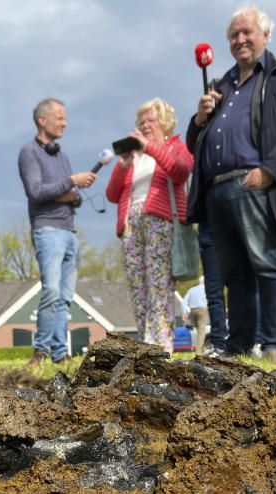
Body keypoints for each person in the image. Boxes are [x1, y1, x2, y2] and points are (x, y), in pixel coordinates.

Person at [185, 5, 276, 361]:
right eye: (234, 35)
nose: (240, 39)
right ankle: (240, 345)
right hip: (215, 189)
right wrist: (199, 119)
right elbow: (193, 144)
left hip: (254, 182)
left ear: (266, 35)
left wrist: (269, 170)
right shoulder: (220, 86)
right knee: (234, 273)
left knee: (266, 262)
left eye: (247, 32)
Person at [105, 98, 193, 354]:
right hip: (131, 224)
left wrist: (151, 147)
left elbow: (180, 171)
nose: (144, 125)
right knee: (139, 287)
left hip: (159, 221)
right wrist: (123, 163)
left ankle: (160, 347)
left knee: (158, 286)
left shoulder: (175, 146)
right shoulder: (134, 158)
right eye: (141, 122)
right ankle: (146, 345)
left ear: (164, 122)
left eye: (150, 121)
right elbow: (112, 194)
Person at [18, 98, 96, 366]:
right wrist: (71, 182)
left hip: (70, 231)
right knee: (51, 291)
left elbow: (74, 197)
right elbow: (36, 192)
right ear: (43, 120)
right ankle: (39, 353)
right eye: (60, 118)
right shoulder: (29, 152)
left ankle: (61, 354)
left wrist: (69, 192)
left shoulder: (62, 156)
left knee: (65, 298)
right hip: (47, 230)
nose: (65, 123)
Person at [195, 221, 229, 356]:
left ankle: (217, 342)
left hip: (195, 310)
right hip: (202, 309)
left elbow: (185, 301)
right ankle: (219, 343)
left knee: (200, 330)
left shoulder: (194, 289)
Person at [181, 276, 210, 356]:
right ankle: (198, 353)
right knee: (201, 331)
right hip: (202, 310)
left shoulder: (192, 290)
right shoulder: (207, 289)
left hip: (192, 311)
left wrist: (184, 313)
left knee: (199, 331)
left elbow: (183, 302)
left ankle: (202, 350)